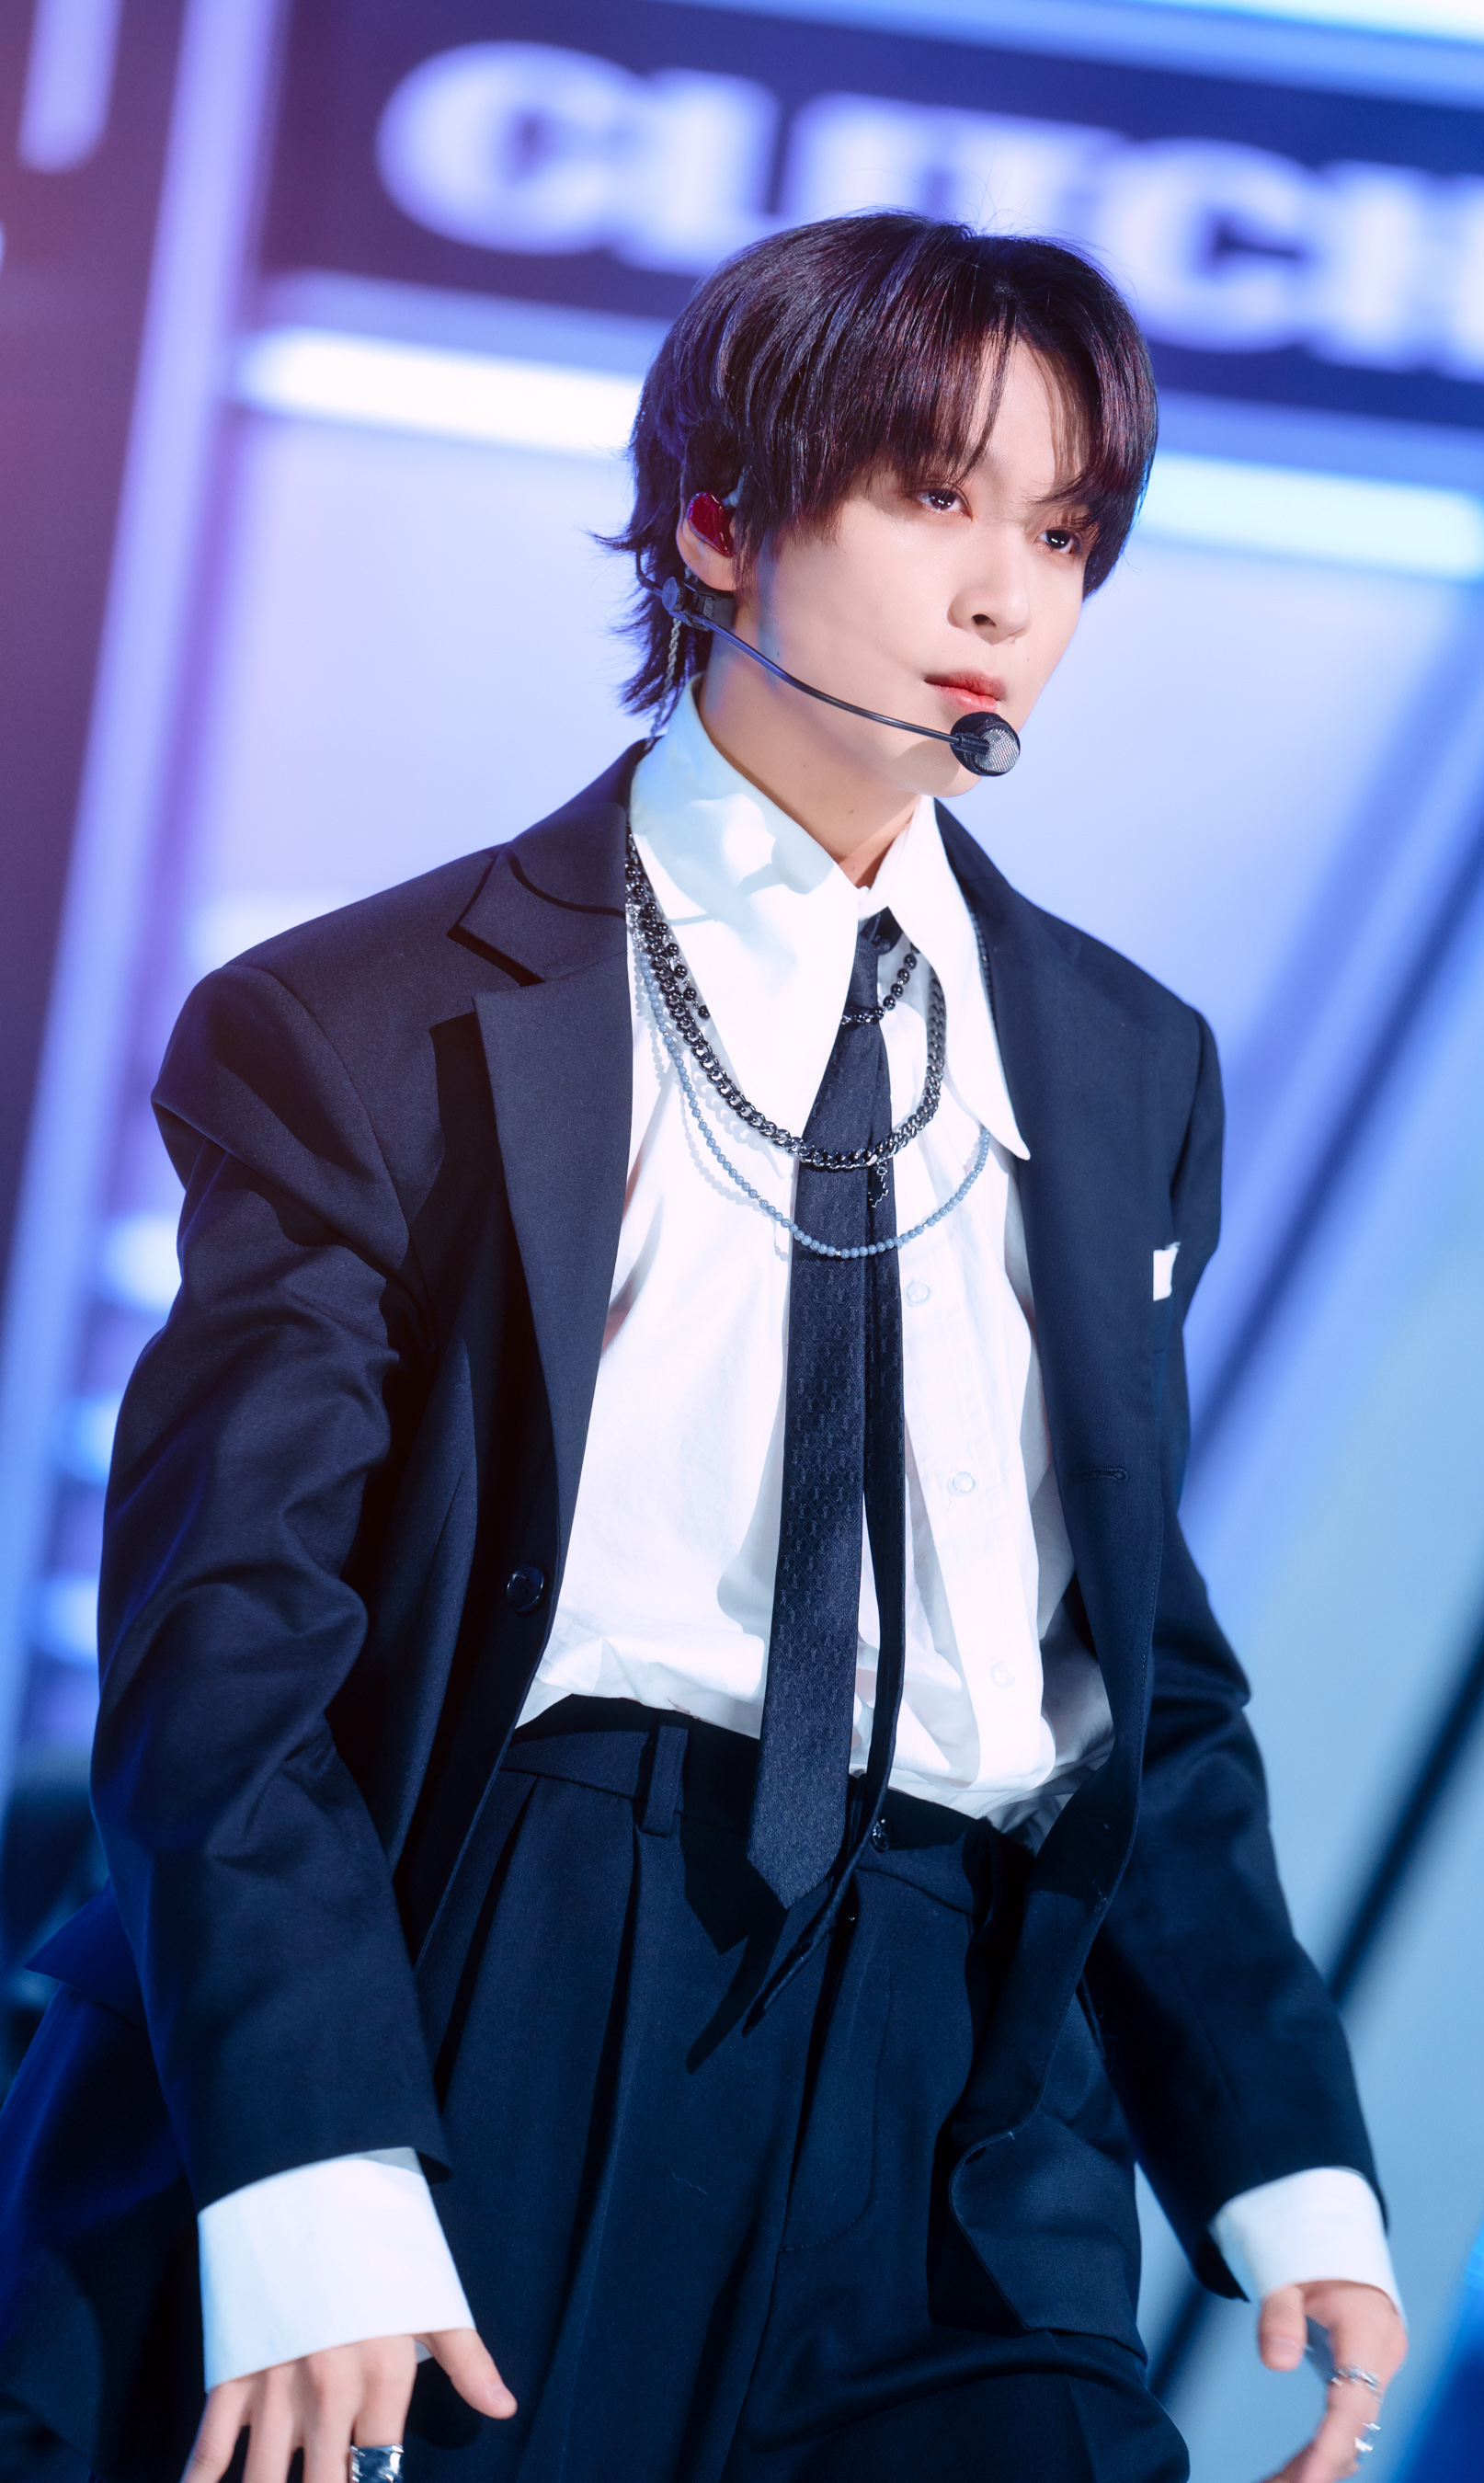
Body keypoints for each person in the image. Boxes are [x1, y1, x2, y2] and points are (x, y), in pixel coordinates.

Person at [0, 213, 1406, 2483]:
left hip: (958, 2078)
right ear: (722, 524)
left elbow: (1135, 1670)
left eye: (1064, 533)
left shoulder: (1126, 1067)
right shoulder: (365, 1026)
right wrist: (316, 2140)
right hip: (502, 1980)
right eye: (936, 499)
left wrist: (1281, 2152)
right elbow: (224, 1633)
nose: (1008, 596)